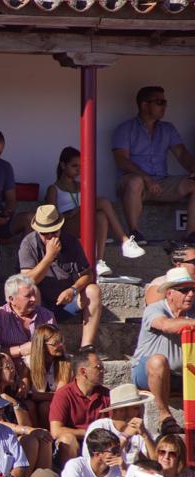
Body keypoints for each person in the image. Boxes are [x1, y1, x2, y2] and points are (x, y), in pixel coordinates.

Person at [112, 86, 195, 242]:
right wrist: (146, 179)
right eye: (159, 102)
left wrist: (193, 169)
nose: (164, 106)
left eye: (165, 102)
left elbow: (182, 154)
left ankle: (191, 234)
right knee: (135, 181)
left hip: (161, 182)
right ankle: (134, 233)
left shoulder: (168, 129)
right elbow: (121, 160)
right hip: (134, 184)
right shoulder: (125, 128)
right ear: (144, 105)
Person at [46, 146, 144, 277]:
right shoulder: (54, 189)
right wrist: (72, 213)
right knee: (102, 201)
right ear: (63, 165)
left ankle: (99, 261)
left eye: (80, 166)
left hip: (84, 222)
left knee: (101, 216)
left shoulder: (81, 186)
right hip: (66, 227)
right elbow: (51, 219)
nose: (78, 170)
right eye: (74, 166)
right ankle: (124, 240)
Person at [19, 205, 102, 348]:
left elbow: (88, 274)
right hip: (40, 303)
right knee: (32, 290)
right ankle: (40, 344)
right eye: (45, 233)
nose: (50, 237)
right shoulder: (28, 244)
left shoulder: (70, 242)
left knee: (93, 291)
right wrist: (49, 257)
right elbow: (27, 281)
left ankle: (86, 346)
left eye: (53, 232)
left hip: (66, 300)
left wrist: (73, 289)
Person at [133, 267, 195, 434]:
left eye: (192, 290)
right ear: (169, 293)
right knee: (158, 361)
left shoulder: (192, 312)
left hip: (183, 375)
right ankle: (164, 416)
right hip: (148, 373)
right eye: (184, 290)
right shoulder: (154, 309)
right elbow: (167, 325)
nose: (190, 294)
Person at [49, 348, 111, 461]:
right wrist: (89, 432)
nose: (103, 370)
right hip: (76, 444)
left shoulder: (106, 395)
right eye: (98, 367)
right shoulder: (63, 395)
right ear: (83, 372)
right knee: (68, 439)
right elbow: (56, 431)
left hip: (100, 445)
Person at [0, 274, 56, 361]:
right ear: (11, 299)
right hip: (9, 368)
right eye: (28, 296)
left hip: (41, 367)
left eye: (34, 294)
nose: (33, 299)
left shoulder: (47, 316)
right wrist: (21, 350)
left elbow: (55, 344)